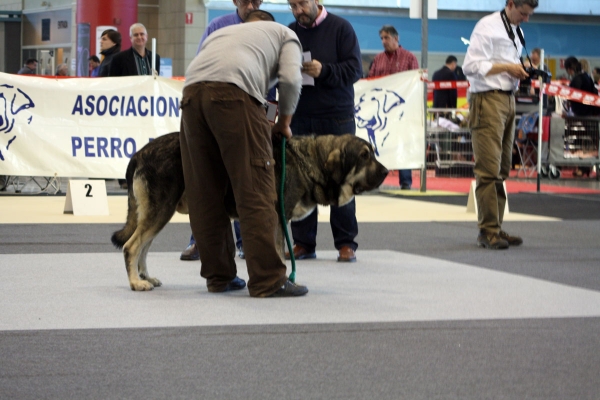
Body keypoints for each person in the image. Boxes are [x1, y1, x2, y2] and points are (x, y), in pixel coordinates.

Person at [180, 10, 307, 297]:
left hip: (190, 96)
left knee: (205, 192)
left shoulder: (222, 33)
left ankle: (219, 277)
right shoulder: (284, 34)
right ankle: (268, 280)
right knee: (255, 188)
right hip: (232, 95)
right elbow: (290, 80)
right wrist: (284, 124)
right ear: (270, 23)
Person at [180, 0, 265, 262]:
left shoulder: (267, 27)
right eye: (245, 0)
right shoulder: (217, 26)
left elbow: (270, 79)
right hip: (215, 108)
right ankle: (200, 243)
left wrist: (271, 115)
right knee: (207, 181)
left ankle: (245, 245)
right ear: (235, 1)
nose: (250, 5)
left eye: (256, 0)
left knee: (246, 181)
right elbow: (201, 65)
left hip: (250, 111)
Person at [285, 0, 362, 262]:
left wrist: (324, 70)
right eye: (292, 5)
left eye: (302, 4)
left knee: (340, 180)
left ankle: (345, 243)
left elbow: (355, 70)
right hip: (300, 117)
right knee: (300, 183)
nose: (298, 11)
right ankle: (303, 243)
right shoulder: (289, 33)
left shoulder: (342, 28)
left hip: (336, 119)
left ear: (316, 1)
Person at [462, 0, 538, 249]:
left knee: (503, 168)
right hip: (487, 99)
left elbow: (508, 64)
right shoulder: (487, 26)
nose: (526, 19)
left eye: (529, 15)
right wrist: (508, 67)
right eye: (523, 13)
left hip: (508, 99)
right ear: (511, 4)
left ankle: (496, 226)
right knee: (488, 168)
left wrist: (523, 71)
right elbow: (470, 66)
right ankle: (487, 231)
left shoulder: (516, 29)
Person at [368, 25, 419, 190]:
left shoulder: (409, 58)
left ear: (396, 38)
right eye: (382, 38)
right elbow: (371, 81)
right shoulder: (378, 59)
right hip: (381, 113)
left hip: (403, 112)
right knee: (381, 146)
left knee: (403, 143)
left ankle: (405, 182)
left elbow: (416, 83)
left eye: (386, 38)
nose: (383, 41)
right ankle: (377, 180)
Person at [564, 56, 599, 177]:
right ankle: (587, 167)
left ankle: (583, 168)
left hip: (581, 115)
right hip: (591, 114)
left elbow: (571, 97)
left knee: (581, 142)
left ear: (569, 69)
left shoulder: (576, 80)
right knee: (591, 142)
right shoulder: (588, 77)